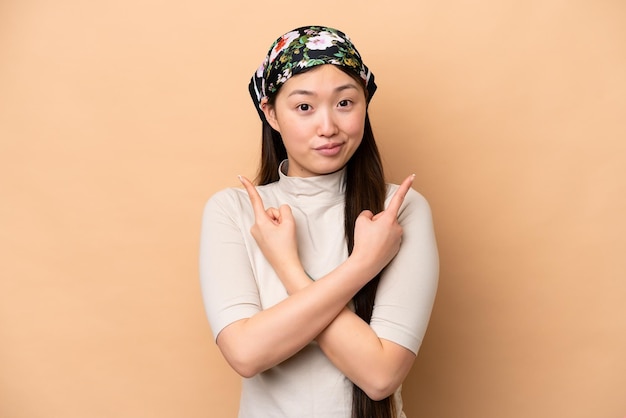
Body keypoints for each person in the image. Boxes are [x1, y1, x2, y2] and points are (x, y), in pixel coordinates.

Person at [199, 25, 439, 418]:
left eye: (345, 103)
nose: (328, 126)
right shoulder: (234, 212)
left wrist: (288, 267)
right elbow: (245, 354)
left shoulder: (398, 210)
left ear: (365, 102)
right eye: (304, 107)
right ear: (271, 114)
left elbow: (380, 376)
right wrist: (363, 265)